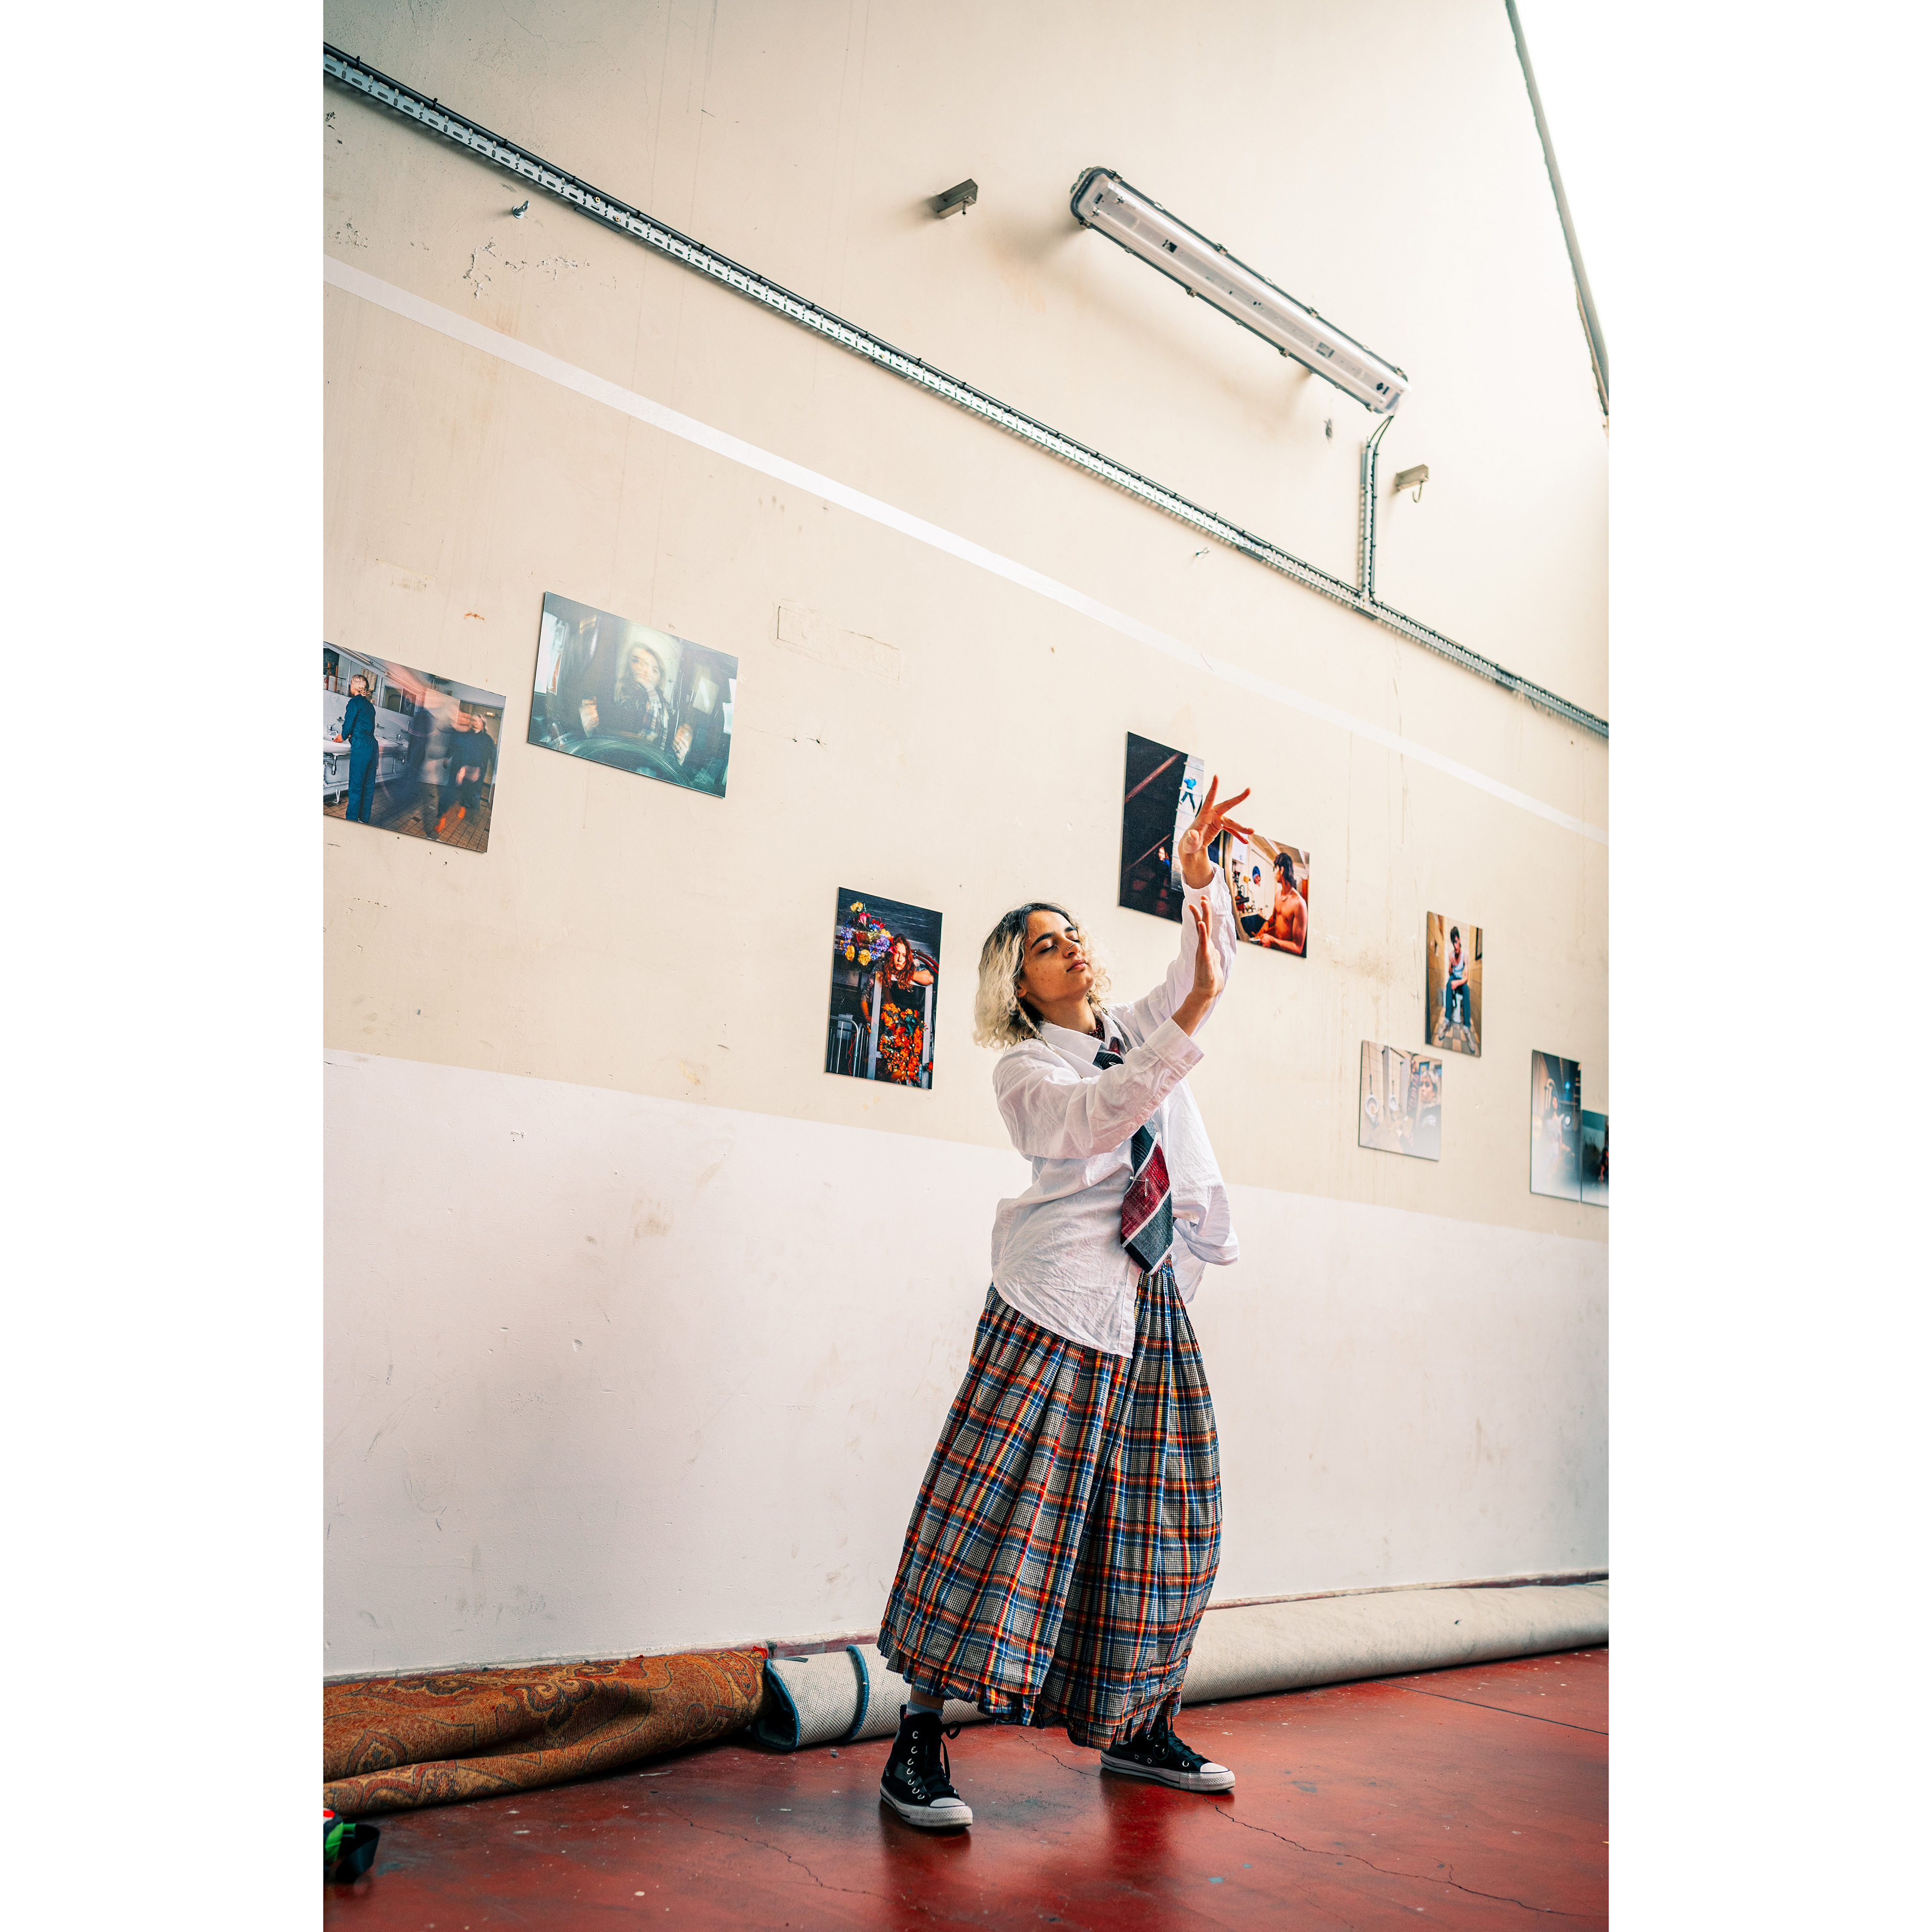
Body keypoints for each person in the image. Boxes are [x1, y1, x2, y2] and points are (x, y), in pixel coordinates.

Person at [876, 777, 1254, 1832]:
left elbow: (1204, 970)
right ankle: (918, 1738)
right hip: (1055, 1307)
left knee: (1166, 1518)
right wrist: (1187, 1021)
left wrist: (1199, 884)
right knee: (997, 1514)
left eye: (1074, 931)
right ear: (1020, 982)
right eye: (1047, 944)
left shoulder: (1134, 1026)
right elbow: (1097, 1117)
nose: (1072, 946)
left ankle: (1138, 1727)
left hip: (1150, 1299)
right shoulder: (1026, 1069)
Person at [866, 935, 936, 1086]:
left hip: (908, 1033)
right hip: (886, 1029)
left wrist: (905, 974)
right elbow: (865, 996)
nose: (900, 959)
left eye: (904, 955)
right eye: (897, 953)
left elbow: (930, 979)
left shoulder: (912, 969)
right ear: (891, 953)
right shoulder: (880, 968)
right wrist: (867, 1017)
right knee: (882, 1072)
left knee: (904, 1073)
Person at [604, 641, 672, 745]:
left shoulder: (664, 708)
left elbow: (668, 744)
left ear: (660, 679)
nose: (647, 672)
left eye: (655, 671)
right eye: (638, 662)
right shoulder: (616, 694)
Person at [337, 673, 379, 824]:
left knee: (356, 786)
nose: (350, 686)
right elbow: (363, 726)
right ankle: (364, 820)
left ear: (354, 686)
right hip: (373, 746)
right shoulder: (370, 706)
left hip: (361, 746)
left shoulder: (354, 702)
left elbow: (349, 724)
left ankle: (351, 821)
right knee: (368, 786)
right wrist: (350, 734)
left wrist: (343, 736)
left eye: (351, 683)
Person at [1442, 927, 1470, 1035]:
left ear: (1460, 940)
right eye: (1453, 943)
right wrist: (1451, 966)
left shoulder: (1465, 956)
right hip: (1453, 977)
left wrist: (1458, 983)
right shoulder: (1451, 955)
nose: (1455, 945)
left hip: (1460, 979)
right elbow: (1450, 973)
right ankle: (1447, 1020)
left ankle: (1467, 1026)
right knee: (1449, 983)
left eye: (1457, 942)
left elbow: (1466, 978)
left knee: (1466, 989)